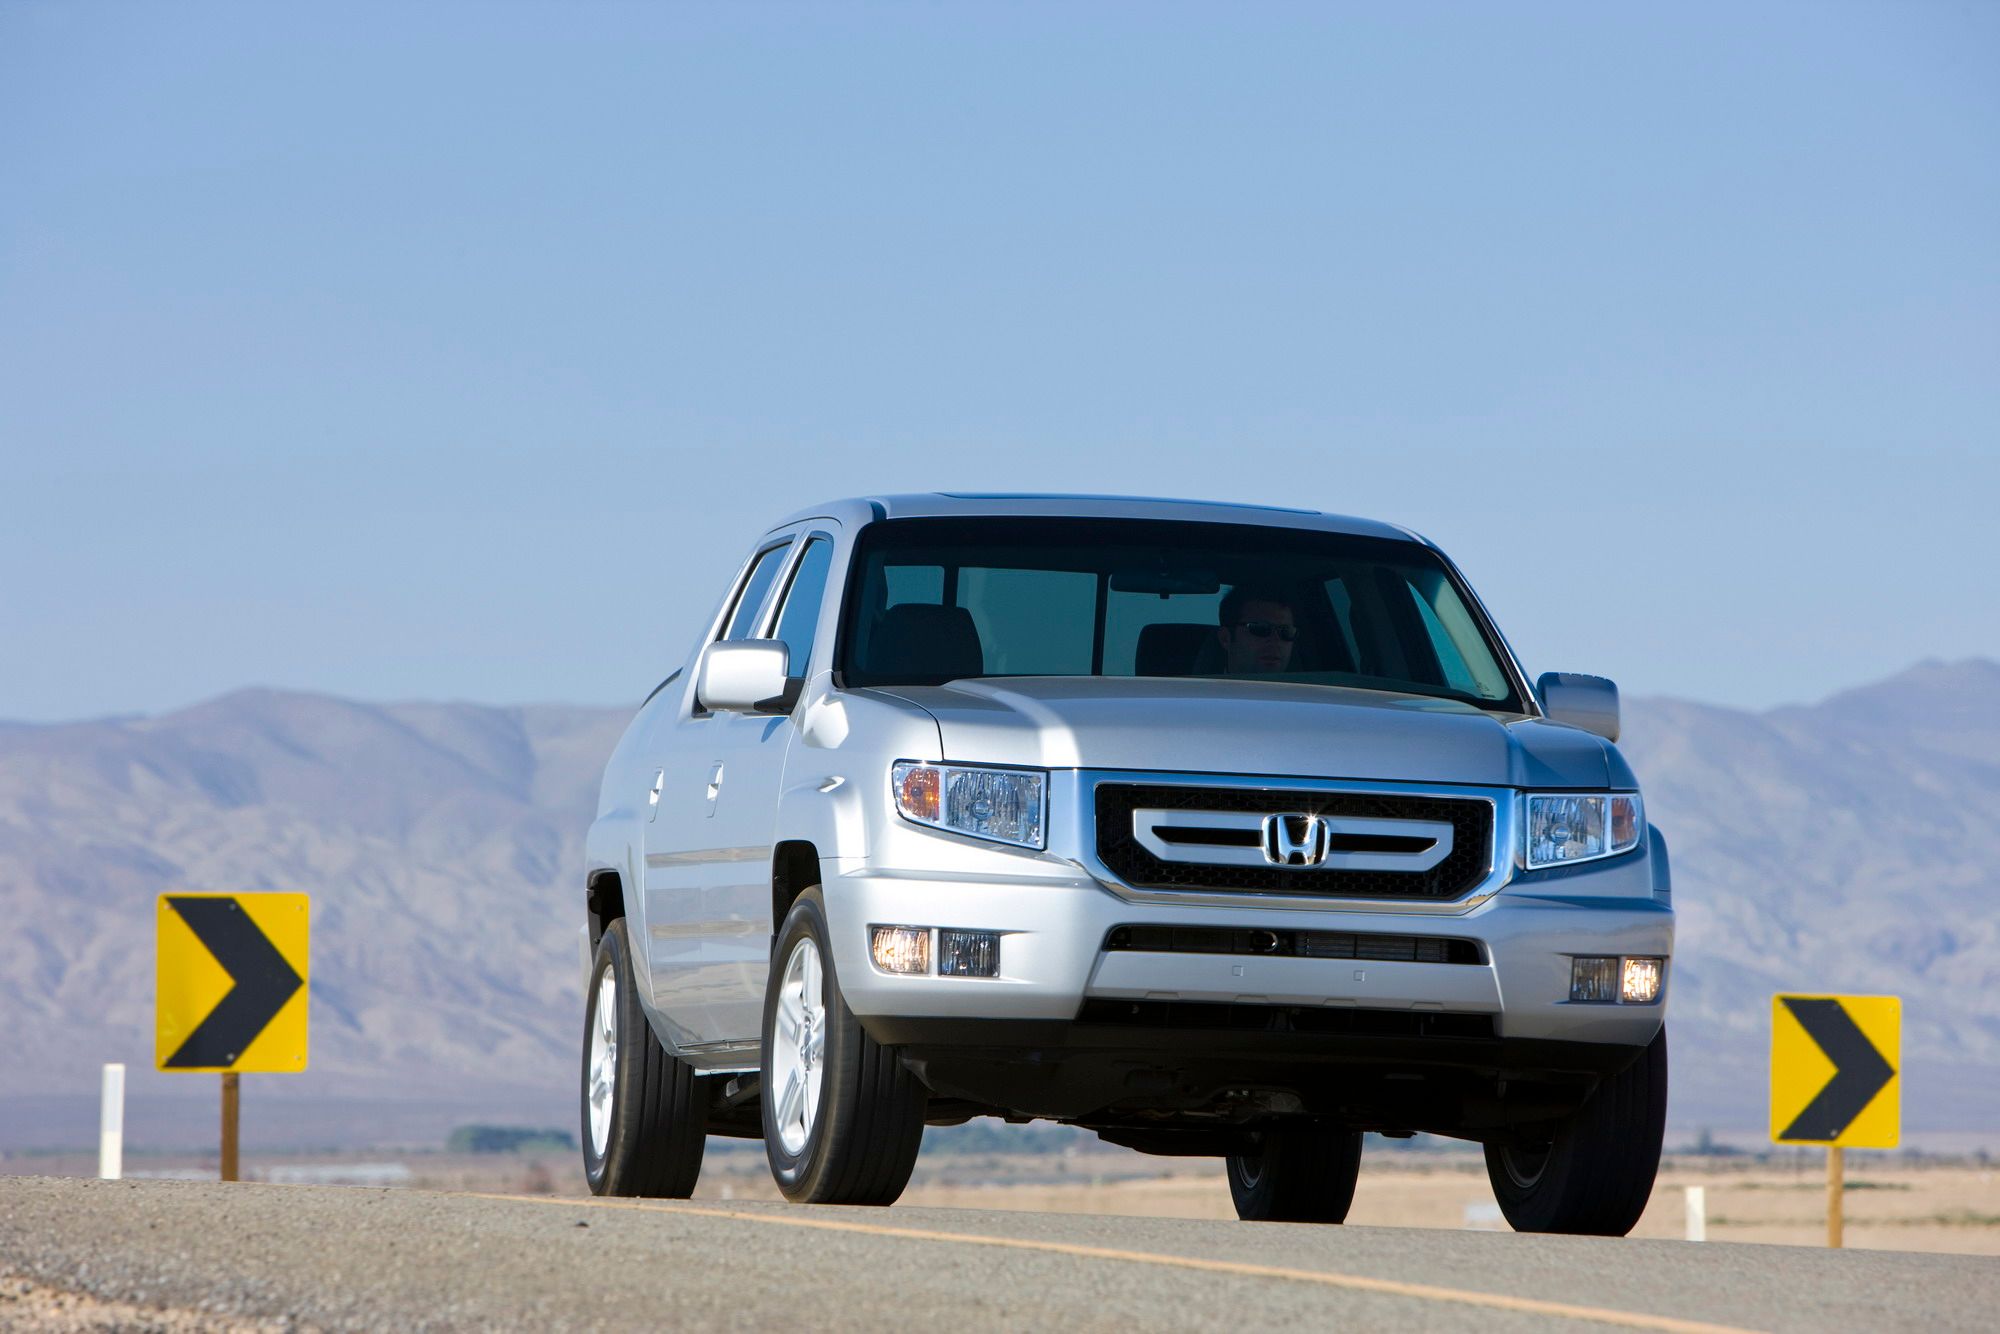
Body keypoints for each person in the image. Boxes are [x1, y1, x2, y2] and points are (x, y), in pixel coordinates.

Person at [1216, 585, 1297, 674]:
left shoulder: (1311, 687)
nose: (1276, 641)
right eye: (1260, 629)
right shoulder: (1201, 686)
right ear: (1225, 638)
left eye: (1286, 631)